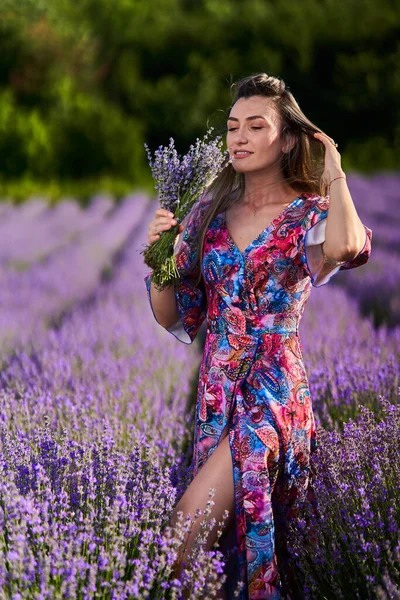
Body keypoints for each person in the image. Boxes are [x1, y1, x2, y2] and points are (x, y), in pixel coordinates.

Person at [144, 73, 372, 600]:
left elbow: (344, 247)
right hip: (219, 388)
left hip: (274, 390)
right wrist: (160, 258)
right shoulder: (209, 217)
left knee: (183, 533)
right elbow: (173, 315)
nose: (239, 137)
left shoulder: (309, 215)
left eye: (256, 126)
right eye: (231, 128)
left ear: (287, 139)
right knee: (212, 556)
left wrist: (334, 175)